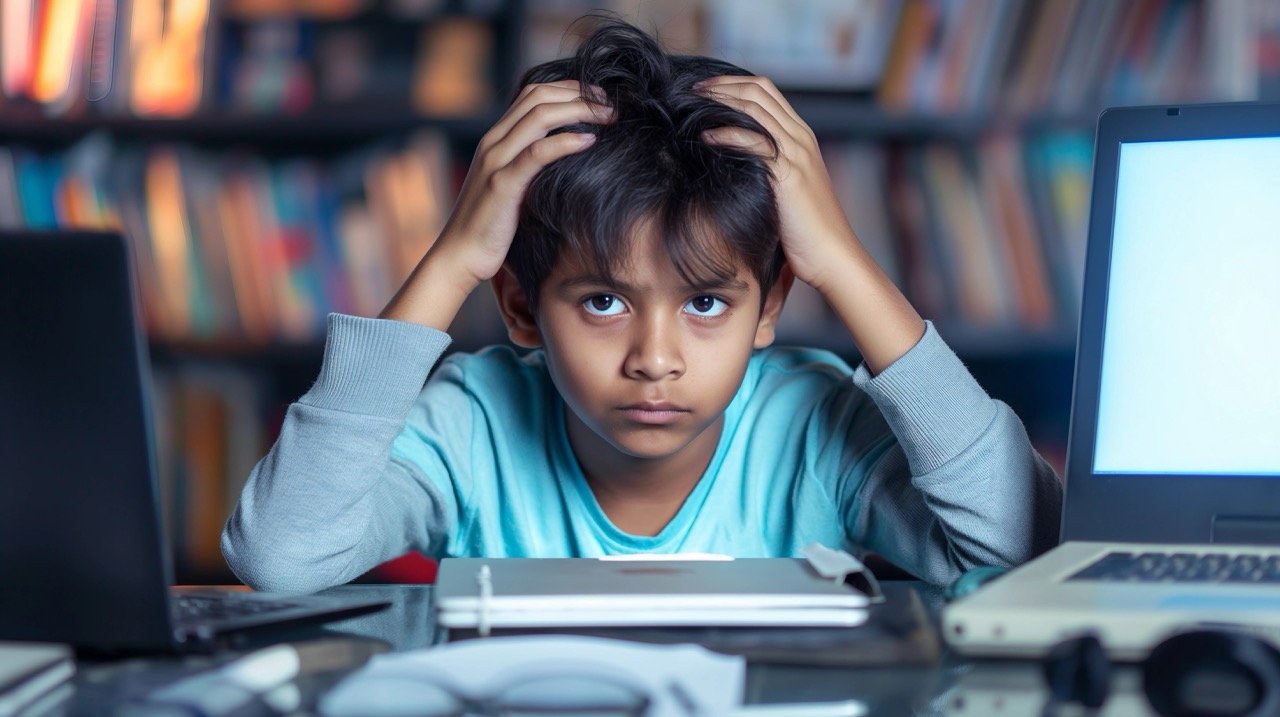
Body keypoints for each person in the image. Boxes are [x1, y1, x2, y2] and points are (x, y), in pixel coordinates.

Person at [222, 18, 1062, 593]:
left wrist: (845, 266)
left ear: (768, 307)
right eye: (601, 302)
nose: (654, 358)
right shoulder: (472, 426)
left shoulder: (811, 421)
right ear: (519, 307)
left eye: (704, 301)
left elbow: (1022, 549)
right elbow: (282, 556)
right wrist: (450, 262)